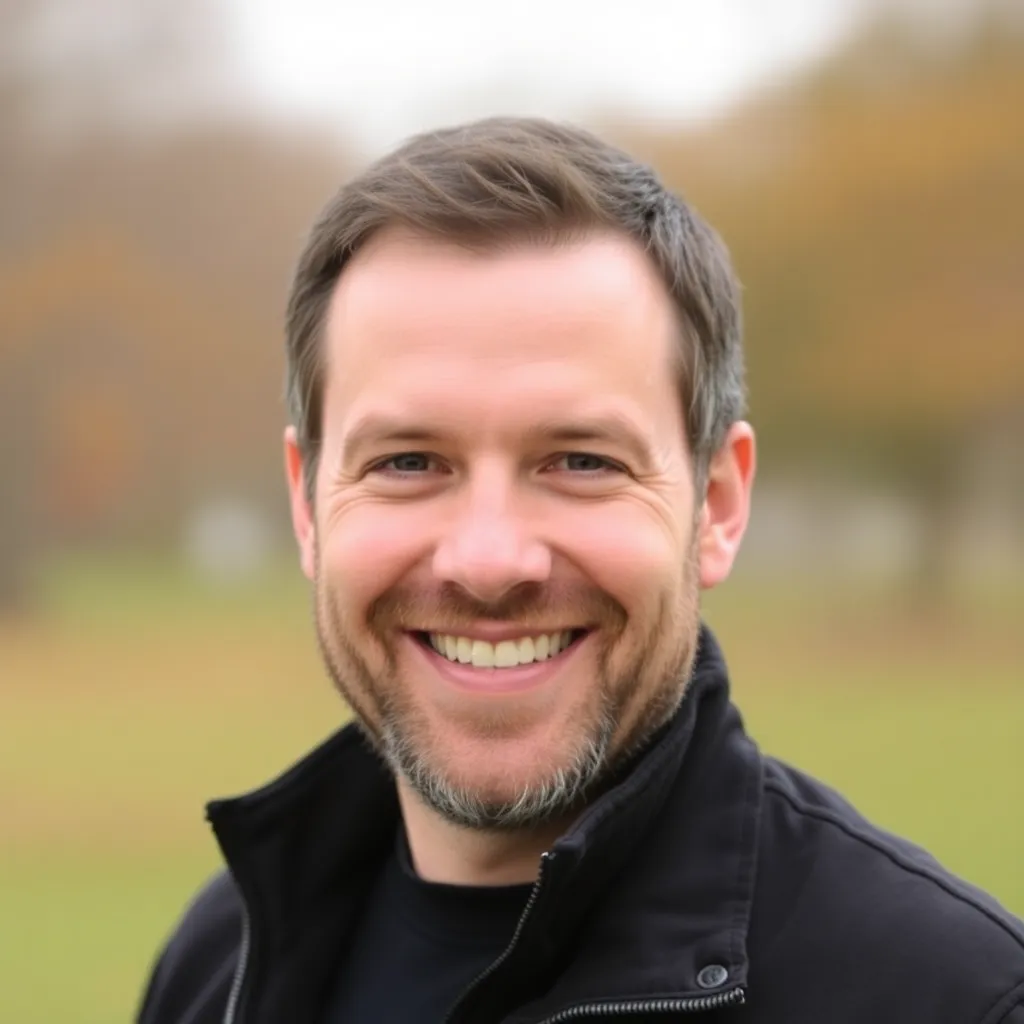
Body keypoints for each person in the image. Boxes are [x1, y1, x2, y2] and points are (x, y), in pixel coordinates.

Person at [136, 117, 1024, 1024]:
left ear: (716, 504)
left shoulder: (953, 997)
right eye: (408, 462)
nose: (487, 561)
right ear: (307, 505)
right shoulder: (218, 966)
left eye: (581, 461)